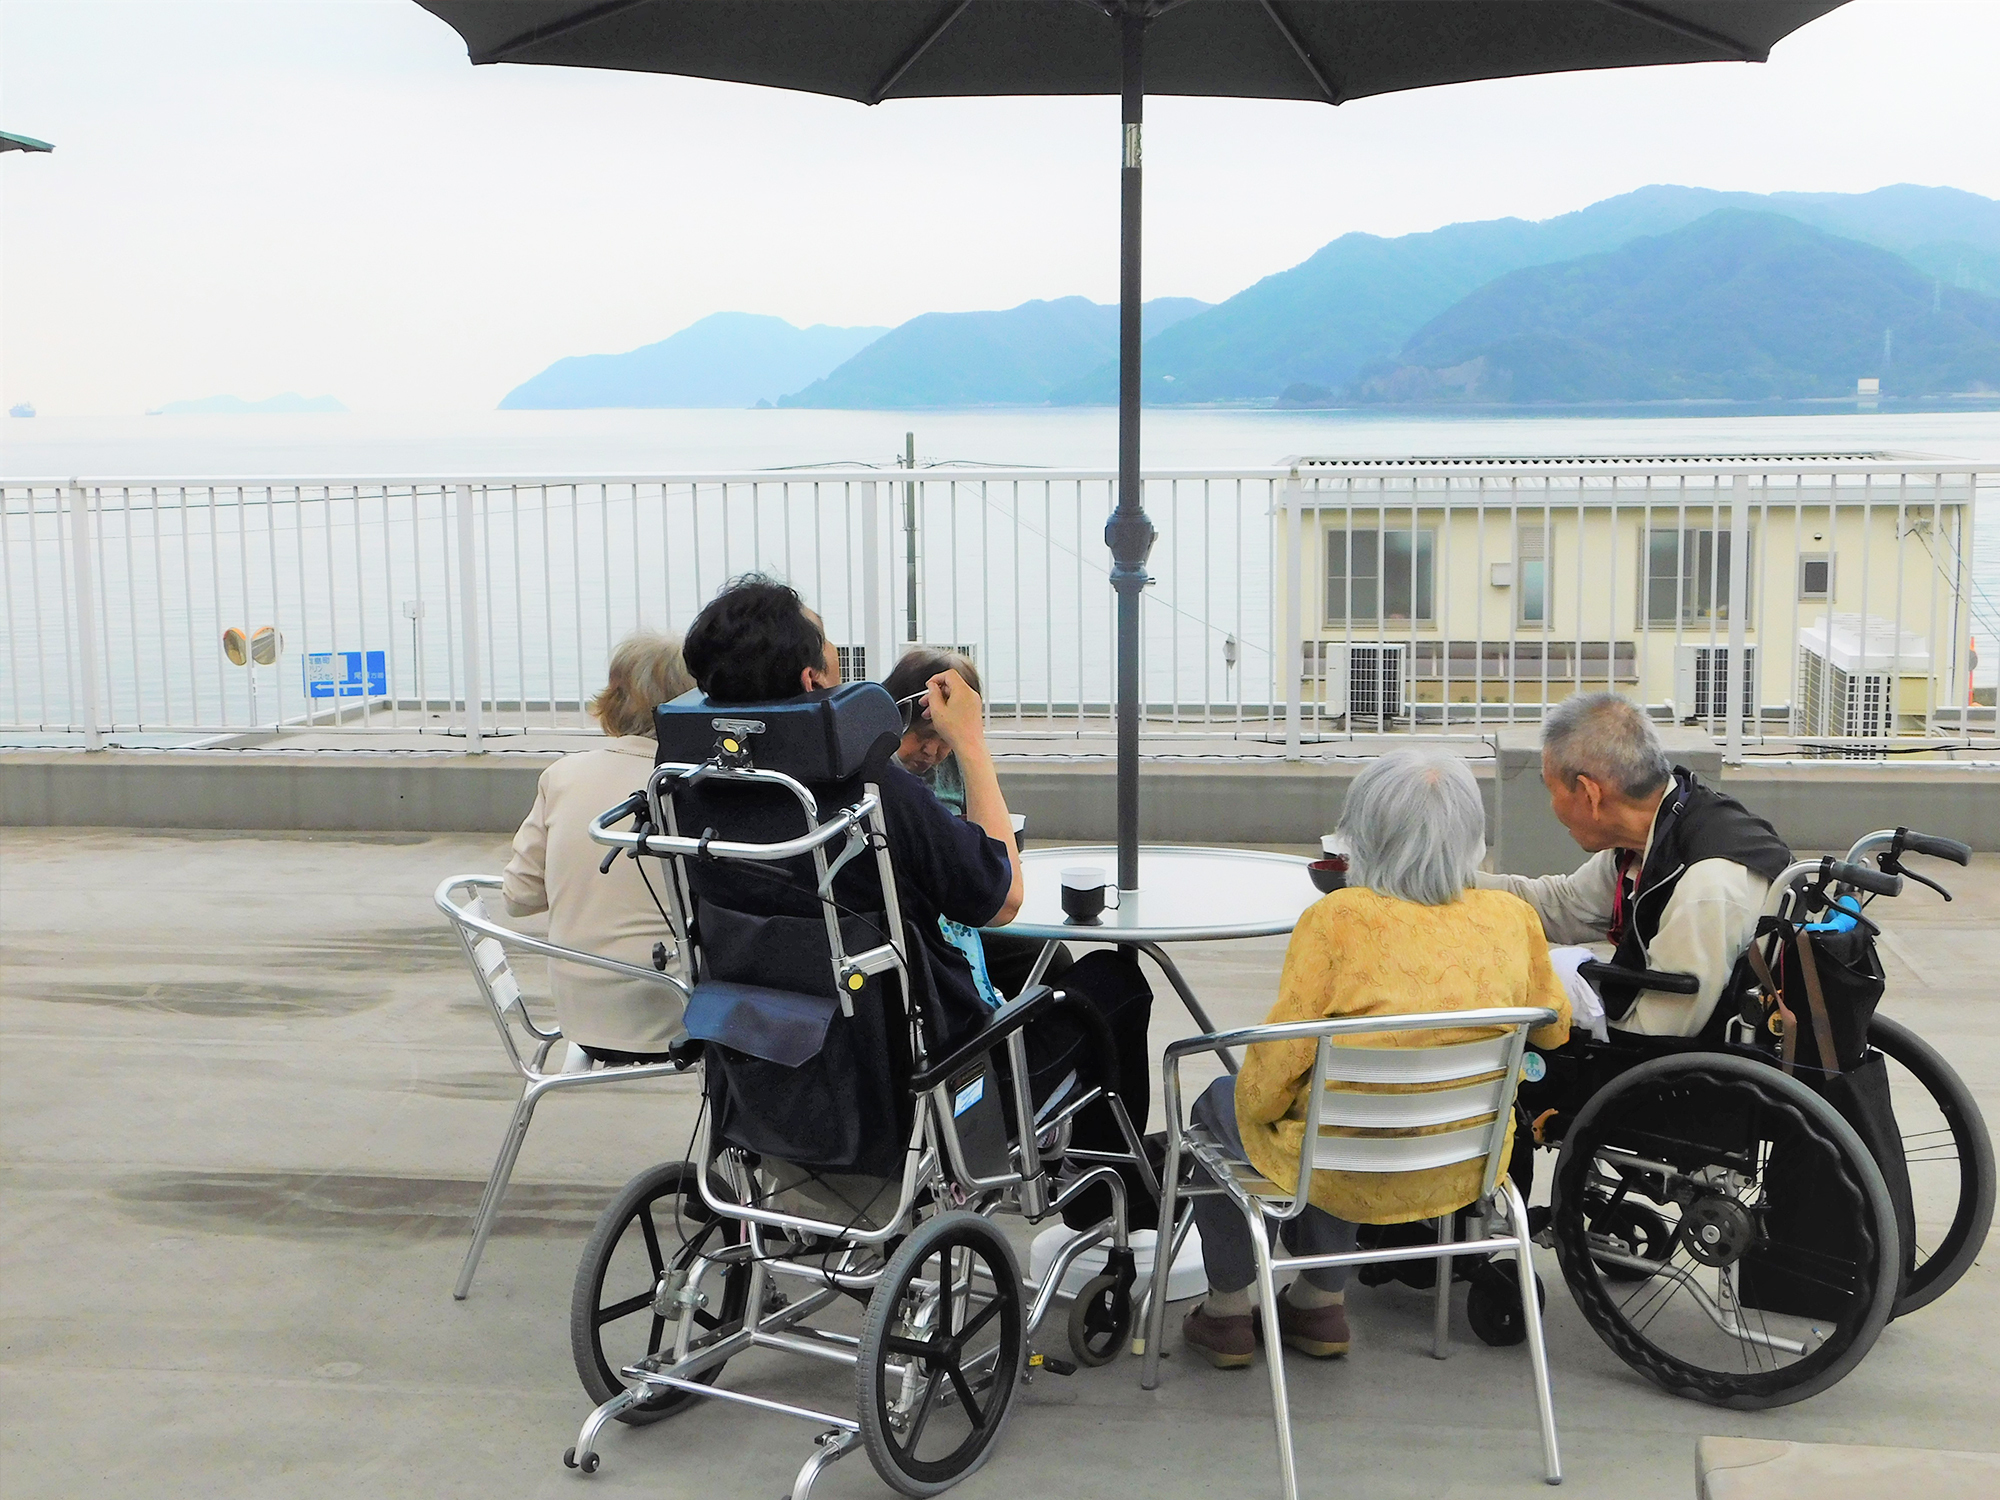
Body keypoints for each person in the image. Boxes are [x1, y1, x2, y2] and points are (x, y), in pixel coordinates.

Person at [676, 577, 1156, 1222]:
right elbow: (1005, 898)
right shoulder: (872, 791)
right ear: (813, 680)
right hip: (917, 1078)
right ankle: (1102, 1206)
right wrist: (972, 743)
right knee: (1117, 981)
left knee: (1039, 965)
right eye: (829, 641)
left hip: (765, 1068)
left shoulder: (690, 790)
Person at [1181, 750, 1570, 1370]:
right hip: (1464, 1169)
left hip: (1343, 1163)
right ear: (1472, 838)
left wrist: (1261, 1103)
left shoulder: (1336, 919)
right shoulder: (1512, 919)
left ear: (1362, 835)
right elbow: (1553, 1030)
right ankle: (1318, 1301)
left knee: (1227, 1107)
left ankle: (1228, 1311)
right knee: (1335, 1118)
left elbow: (1270, 1080)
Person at [1476, 692, 1792, 1038]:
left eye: (1552, 790)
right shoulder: (1659, 828)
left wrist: (1558, 992)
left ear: (1589, 794)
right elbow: (1565, 906)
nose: (1552, 806)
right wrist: (1449, 881)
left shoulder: (1707, 884)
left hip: (1699, 1068)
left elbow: (1655, 1033)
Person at [503, 631, 694, 1065]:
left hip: (581, 1015)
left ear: (612, 698)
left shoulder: (562, 775)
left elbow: (518, 898)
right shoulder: (693, 786)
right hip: (673, 1013)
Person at [879, 645, 1075, 1001]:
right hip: (927, 920)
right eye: (923, 738)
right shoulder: (886, 778)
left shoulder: (955, 766)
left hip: (961, 896)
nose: (932, 752)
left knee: (1050, 959)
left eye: (945, 741)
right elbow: (1004, 898)